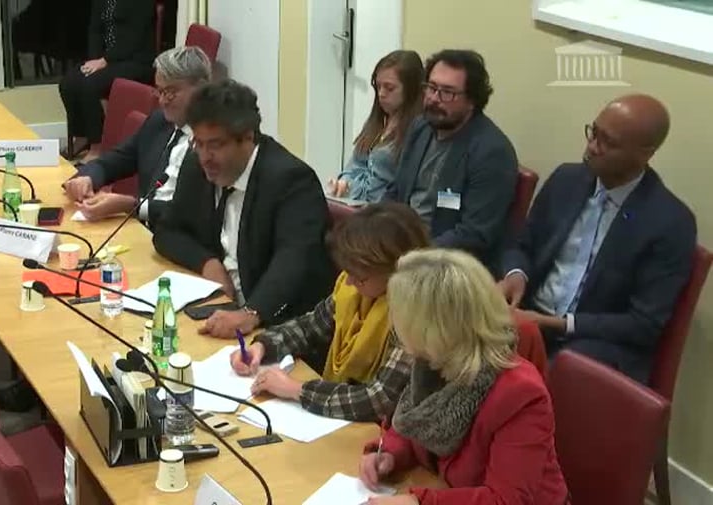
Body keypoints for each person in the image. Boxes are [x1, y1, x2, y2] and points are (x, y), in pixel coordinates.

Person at [498, 94, 696, 384]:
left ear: (645, 153)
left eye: (608, 142)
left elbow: (643, 324)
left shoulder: (669, 222)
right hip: (531, 316)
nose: (592, 147)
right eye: (594, 133)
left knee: (529, 380)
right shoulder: (567, 179)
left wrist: (556, 324)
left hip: (594, 342)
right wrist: (516, 274)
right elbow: (521, 245)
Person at [358, 249, 568, 504]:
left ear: (432, 330)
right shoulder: (432, 363)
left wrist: (419, 502)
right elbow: (417, 423)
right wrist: (391, 454)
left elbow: (506, 500)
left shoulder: (520, 394)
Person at [153, 79, 335, 339]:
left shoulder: (291, 180)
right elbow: (167, 230)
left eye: (215, 145)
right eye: (198, 143)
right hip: (219, 307)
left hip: (277, 327)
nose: (204, 156)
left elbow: (294, 262)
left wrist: (251, 313)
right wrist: (208, 263)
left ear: (248, 137)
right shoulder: (198, 166)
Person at [228, 203, 429, 421]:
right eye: (348, 271)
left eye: (360, 277)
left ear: (397, 271)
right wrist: (263, 346)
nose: (349, 281)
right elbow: (309, 327)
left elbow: (378, 399)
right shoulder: (356, 291)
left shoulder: (417, 314)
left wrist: (296, 389)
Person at [385, 49, 517, 275]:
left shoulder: (491, 152)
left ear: (472, 101)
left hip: (447, 266)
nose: (434, 98)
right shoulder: (420, 127)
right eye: (431, 87)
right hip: (403, 246)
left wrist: (415, 255)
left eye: (447, 92)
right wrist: (377, 230)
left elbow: (474, 234)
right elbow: (396, 190)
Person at [64, 46, 212, 229]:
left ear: (202, 89)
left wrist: (131, 205)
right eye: (160, 91)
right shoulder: (159, 122)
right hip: (143, 230)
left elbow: (192, 212)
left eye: (171, 92)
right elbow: (115, 160)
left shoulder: (213, 143)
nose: (163, 101)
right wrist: (88, 178)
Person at [58, 0, 155, 163]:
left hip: (135, 60)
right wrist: (95, 59)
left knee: (89, 85)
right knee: (69, 83)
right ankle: (82, 136)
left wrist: (105, 61)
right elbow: (95, 30)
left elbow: (134, 37)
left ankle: (97, 146)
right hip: (106, 60)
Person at [327, 50, 424, 203]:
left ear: (410, 89)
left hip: (385, 210)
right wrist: (343, 183)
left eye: (389, 88)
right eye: (378, 87)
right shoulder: (377, 122)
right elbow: (354, 165)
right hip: (355, 203)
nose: (381, 94)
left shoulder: (419, 129)